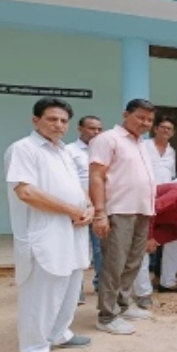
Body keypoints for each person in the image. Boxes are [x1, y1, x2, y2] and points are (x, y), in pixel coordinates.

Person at [5, 97, 92, 352]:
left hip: (73, 230)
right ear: (36, 120)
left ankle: (60, 333)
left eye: (64, 121)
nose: (58, 125)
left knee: (70, 286)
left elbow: (76, 186)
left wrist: (88, 207)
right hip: (44, 233)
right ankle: (33, 348)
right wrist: (72, 210)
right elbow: (26, 192)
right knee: (41, 292)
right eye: (52, 119)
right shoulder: (24, 149)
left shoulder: (64, 151)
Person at [89, 98, 156, 335]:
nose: (145, 123)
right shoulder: (108, 139)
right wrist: (99, 213)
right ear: (125, 114)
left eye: (149, 119)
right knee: (114, 264)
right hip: (119, 210)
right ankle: (107, 316)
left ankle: (124, 305)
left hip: (142, 210)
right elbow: (96, 176)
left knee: (133, 262)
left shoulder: (141, 143)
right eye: (140, 117)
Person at [133, 115, 177, 308]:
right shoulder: (143, 145)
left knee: (173, 237)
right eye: (163, 127)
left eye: (170, 129)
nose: (166, 131)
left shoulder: (171, 151)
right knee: (144, 242)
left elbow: (171, 176)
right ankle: (142, 292)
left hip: (165, 200)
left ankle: (165, 280)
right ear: (156, 129)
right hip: (144, 198)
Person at [66, 115, 103, 303]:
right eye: (92, 128)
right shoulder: (69, 151)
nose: (96, 132)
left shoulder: (104, 151)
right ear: (80, 129)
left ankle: (101, 285)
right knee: (76, 249)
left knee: (100, 249)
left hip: (100, 206)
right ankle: (76, 290)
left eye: (99, 129)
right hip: (77, 207)